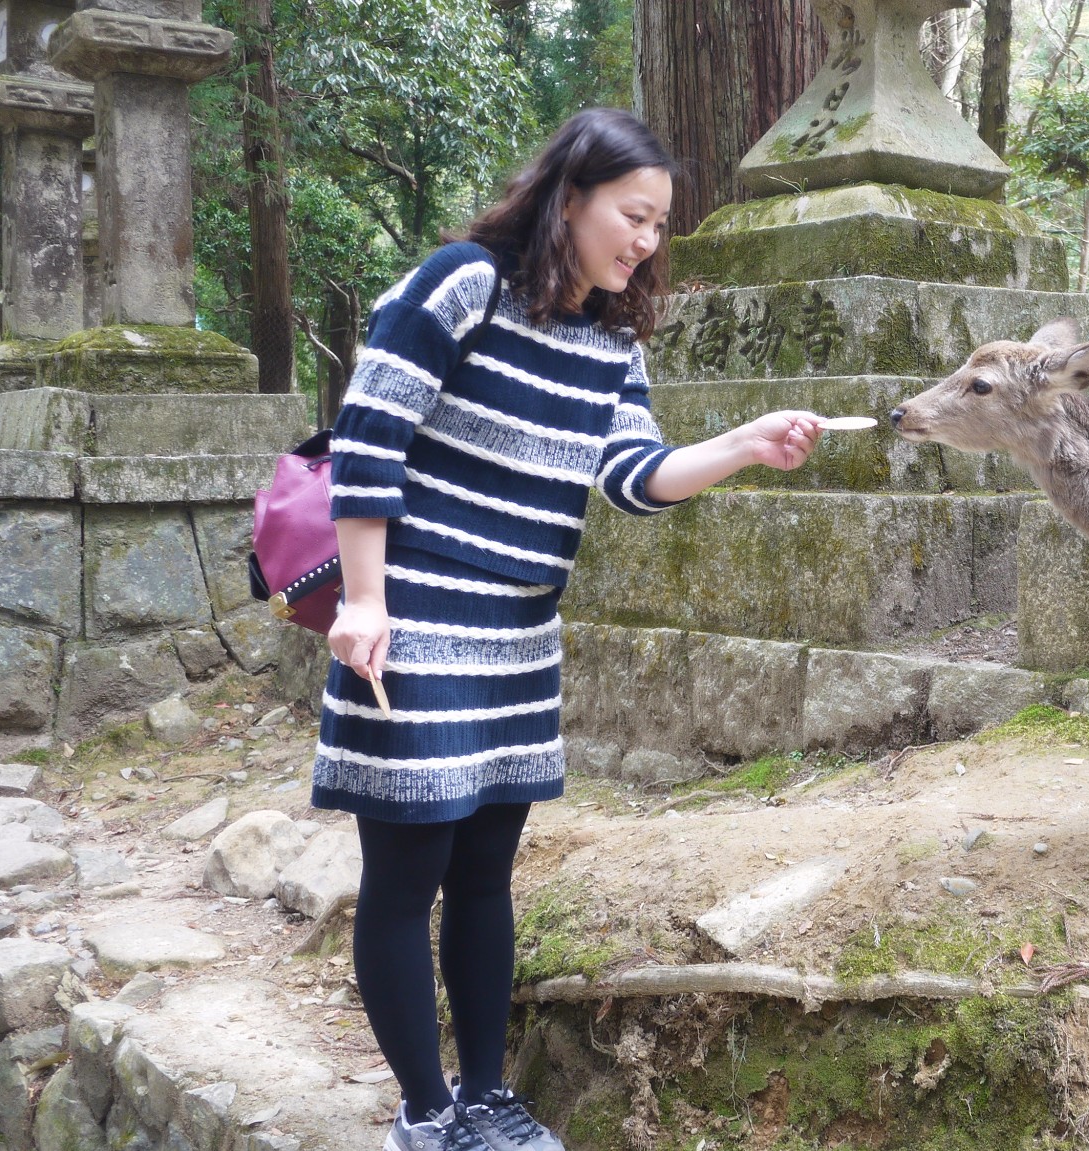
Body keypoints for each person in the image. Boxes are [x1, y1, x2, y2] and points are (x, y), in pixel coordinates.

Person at [316, 107, 822, 1151]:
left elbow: (634, 478)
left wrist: (740, 442)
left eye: (655, 227)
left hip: (518, 637)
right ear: (570, 195)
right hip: (412, 620)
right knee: (407, 877)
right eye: (632, 215)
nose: (643, 241)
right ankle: (424, 1111)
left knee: (487, 876)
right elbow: (369, 434)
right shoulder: (461, 284)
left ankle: (485, 1093)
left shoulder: (610, 341)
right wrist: (363, 599)